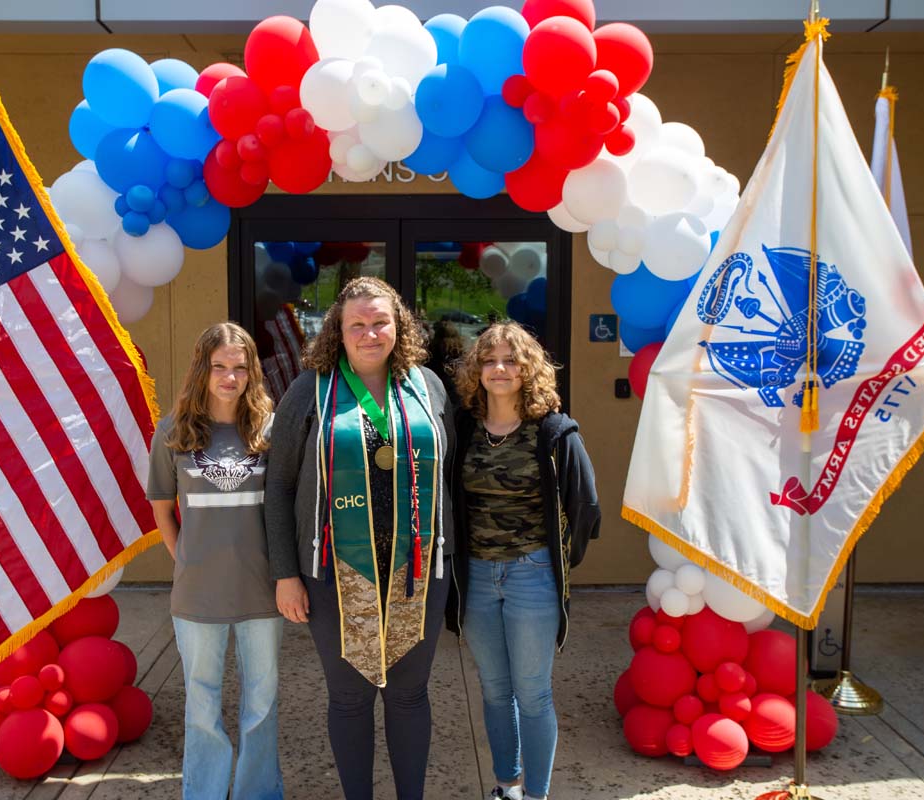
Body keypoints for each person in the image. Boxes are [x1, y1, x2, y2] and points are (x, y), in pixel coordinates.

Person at [265, 277, 455, 800]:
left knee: (409, 695)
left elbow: (447, 474)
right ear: (339, 330)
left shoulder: (428, 387)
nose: (370, 333)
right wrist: (285, 573)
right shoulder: (310, 389)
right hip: (335, 571)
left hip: (417, 569)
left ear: (399, 326)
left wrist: (451, 566)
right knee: (350, 698)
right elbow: (279, 486)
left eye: (380, 322)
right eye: (358, 324)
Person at [445, 322, 601, 800]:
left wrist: (555, 563)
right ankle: (506, 785)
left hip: (532, 574)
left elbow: (586, 508)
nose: (499, 369)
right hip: (476, 575)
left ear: (528, 369)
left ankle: (536, 793)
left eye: (511, 360)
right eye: (489, 360)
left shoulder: (554, 432)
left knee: (532, 693)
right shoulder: (463, 428)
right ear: (477, 370)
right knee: (495, 689)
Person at [145, 322, 283, 800]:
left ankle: (257, 792)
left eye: (239, 368)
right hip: (197, 593)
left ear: (252, 372)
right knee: (201, 706)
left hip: (262, 590)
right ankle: (203, 792)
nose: (230, 377)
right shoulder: (173, 431)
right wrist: (185, 557)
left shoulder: (270, 430)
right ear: (202, 370)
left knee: (262, 702)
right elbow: (162, 508)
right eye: (219, 366)